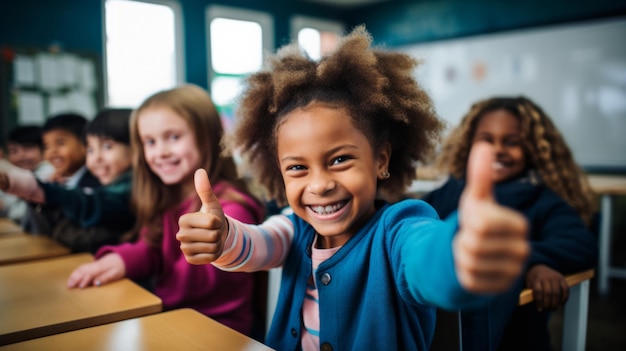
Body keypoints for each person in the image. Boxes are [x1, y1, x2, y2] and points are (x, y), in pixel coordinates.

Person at [176, 26, 530, 351]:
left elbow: (424, 258)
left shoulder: (398, 229)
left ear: (380, 159)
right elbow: (256, 245)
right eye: (298, 168)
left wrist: (458, 252)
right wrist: (221, 238)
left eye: (340, 160)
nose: (320, 185)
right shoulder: (295, 228)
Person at [66, 85, 266, 338]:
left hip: (219, 330)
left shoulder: (231, 208)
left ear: (208, 136)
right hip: (173, 317)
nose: (160, 152)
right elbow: (151, 246)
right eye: (149, 142)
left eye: (173, 137)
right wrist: (122, 260)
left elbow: (195, 285)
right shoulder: (169, 197)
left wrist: (146, 293)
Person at [422, 96, 598, 351]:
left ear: (532, 149)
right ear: (469, 144)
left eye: (512, 142)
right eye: (486, 140)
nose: (498, 150)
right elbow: (417, 226)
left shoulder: (542, 199)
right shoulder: (453, 189)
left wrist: (530, 263)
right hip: (440, 331)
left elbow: (581, 246)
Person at [0, 109, 135, 252]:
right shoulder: (64, 181)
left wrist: (38, 189)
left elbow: (89, 218)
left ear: (136, 149)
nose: (96, 158)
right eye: (91, 149)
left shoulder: (122, 189)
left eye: (107, 146)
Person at [0, 125, 54, 223]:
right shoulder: (19, 173)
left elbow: (17, 213)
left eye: (28, 149)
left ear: (44, 150)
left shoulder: (49, 171)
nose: (21, 155)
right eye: (14, 151)